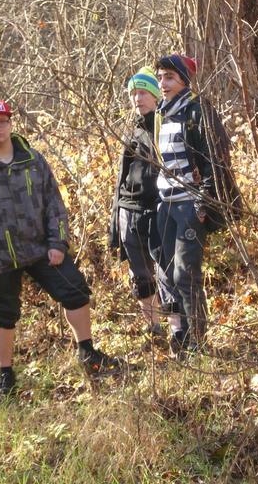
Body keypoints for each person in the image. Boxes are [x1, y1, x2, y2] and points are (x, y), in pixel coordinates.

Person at [0, 99, 120, 394]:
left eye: (1, 122)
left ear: (10, 124)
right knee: (2, 313)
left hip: (41, 249)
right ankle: (6, 375)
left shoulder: (33, 159)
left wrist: (58, 243)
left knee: (76, 290)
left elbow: (55, 204)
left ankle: (87, 353)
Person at [152, 54, 238, 354]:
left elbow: (216, 159)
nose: (163, 84)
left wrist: (204, 202)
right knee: (167, 272)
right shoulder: (162, 113)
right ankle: (182, 336)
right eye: (160, 78)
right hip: (166, 203)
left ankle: (198, 342)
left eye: (169, 77)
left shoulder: (198, 111)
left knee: (186, 274)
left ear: (184, 80)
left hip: (190, 203)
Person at [109, 66, 164, 343]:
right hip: (129, 211)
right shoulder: (131, 131)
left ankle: (178, 327)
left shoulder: (166, 126)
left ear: (155, 95)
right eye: (133, 93)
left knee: (167, 274)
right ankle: (154, 328)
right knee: (141, 276)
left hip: (158, 209)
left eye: (143, 92)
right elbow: (121, 176)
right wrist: (115, 219)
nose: (137, 98)